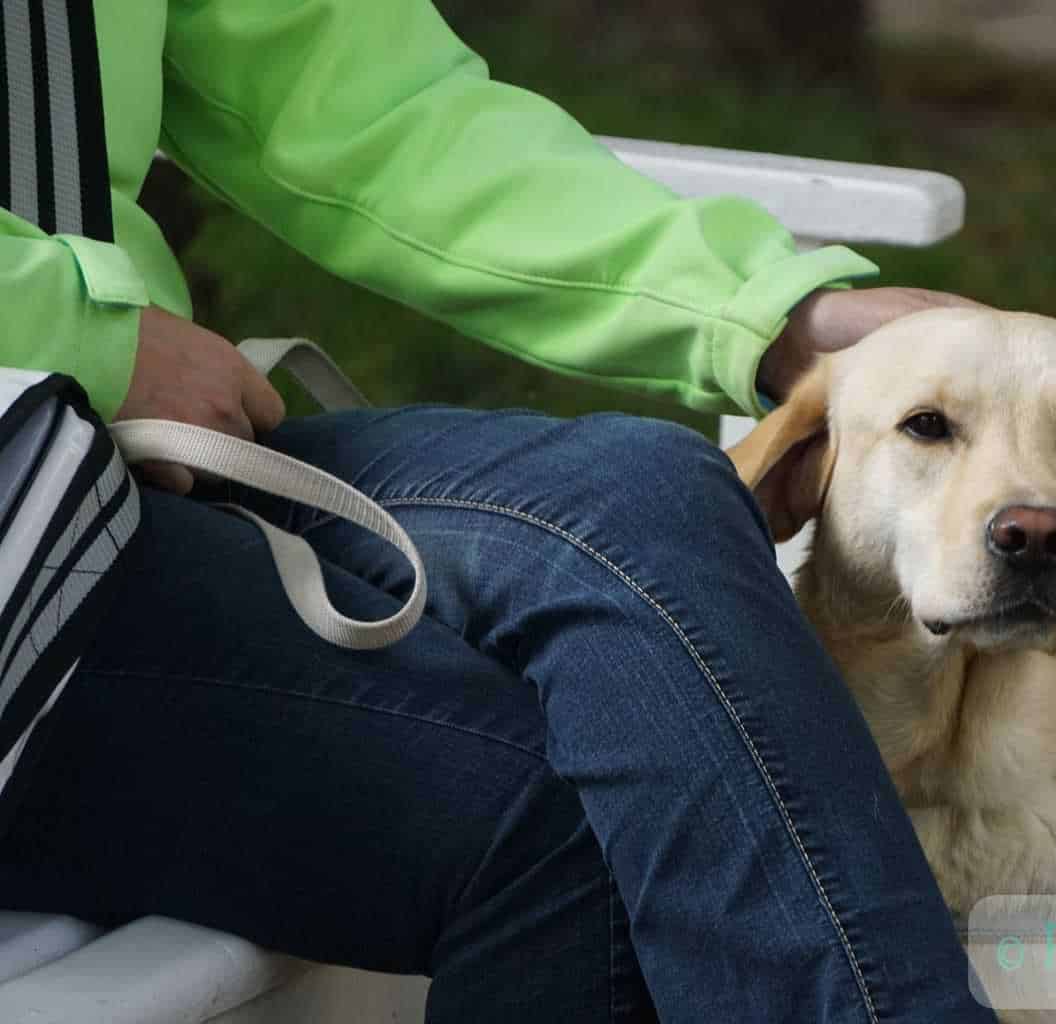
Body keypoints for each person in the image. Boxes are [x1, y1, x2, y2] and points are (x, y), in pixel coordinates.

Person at [0, 2, 994, 1020]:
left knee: (638, 500)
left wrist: (772, 309)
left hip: (127, 474)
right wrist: (86, 336)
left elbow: (372, 107)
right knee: (573, 815)